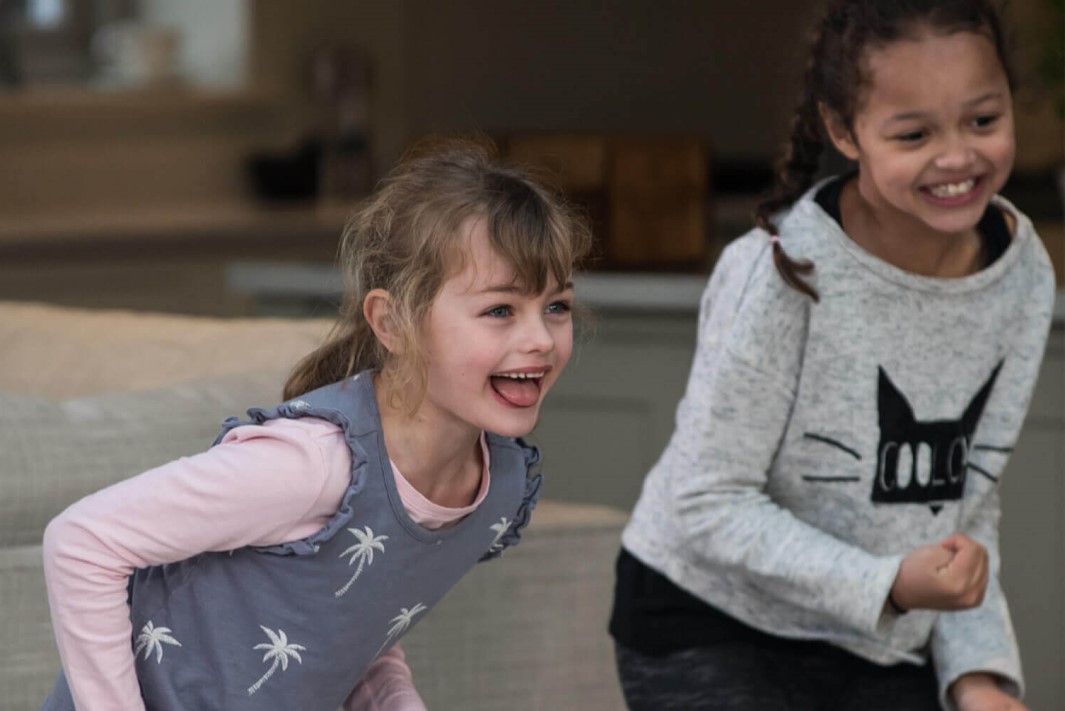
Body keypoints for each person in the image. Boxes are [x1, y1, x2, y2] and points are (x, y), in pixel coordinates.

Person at [609, 1, 1056, 709]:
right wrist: (886, 584)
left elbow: (962, 501)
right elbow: (706, 502)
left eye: (983, 120)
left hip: (881, 638)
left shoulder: (1021, 273)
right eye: (913, 133)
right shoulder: (781, 271)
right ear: (843, 130)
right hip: (709, 621)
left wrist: (978, 670)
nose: (956, 156)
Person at [40, 141, 592, 711]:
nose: (541, 339)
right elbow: (82, 541)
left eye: (557, 307)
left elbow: (353, 613)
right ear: (392, 323)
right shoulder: (312, 464)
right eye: (500, 310)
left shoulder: (498, 486)